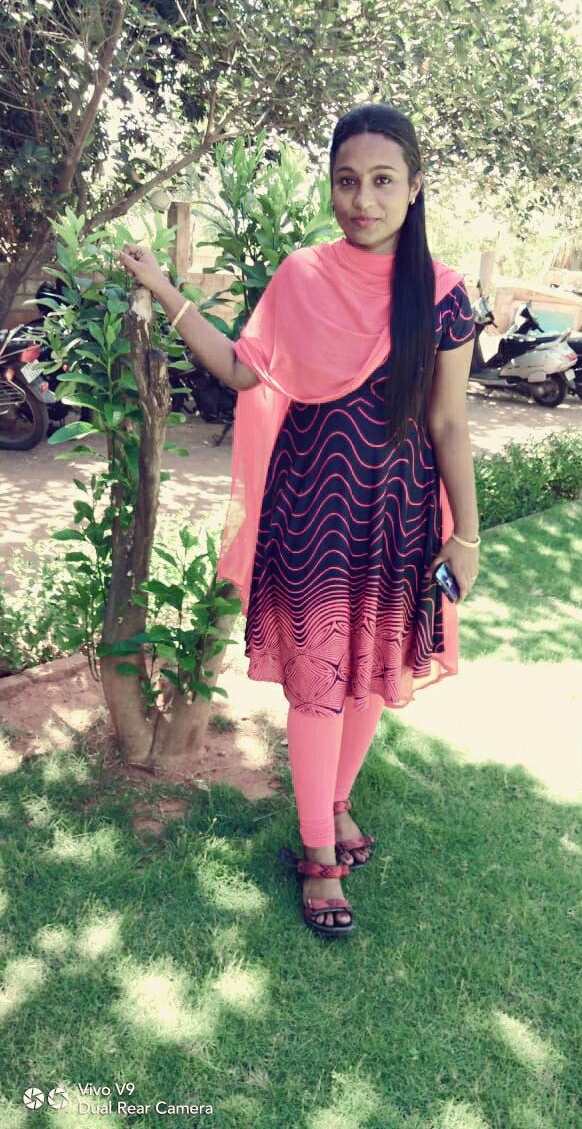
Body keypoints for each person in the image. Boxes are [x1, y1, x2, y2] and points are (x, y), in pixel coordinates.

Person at [117, 102, 479, 939]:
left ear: (415, 186)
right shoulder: (302, 276)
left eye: (382, 180)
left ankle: (337, 802)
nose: (363, 199)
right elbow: (244, 372)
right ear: (331, 187)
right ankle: (319, 853)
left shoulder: (445, 297)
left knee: (371, 676)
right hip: (312, 509)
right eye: (347, 181)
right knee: (319, 684)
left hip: (399, 516)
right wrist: (165, 289)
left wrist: (465, 535)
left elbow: (449, 423)